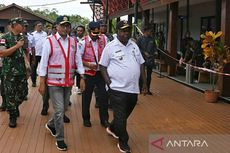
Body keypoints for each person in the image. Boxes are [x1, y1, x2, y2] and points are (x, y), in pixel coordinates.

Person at [99, 20, 147, 153]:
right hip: (117, 88)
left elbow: (141, 64)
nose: (126, 33)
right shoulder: (110, 47)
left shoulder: (134, 46)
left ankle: (113, 128)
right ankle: (123, 141)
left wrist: (144, 84)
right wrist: (109, 82)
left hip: (133, 88)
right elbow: (102, 66)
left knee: (124, 113)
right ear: (118, 32)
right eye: (123, 31)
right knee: (120, 115)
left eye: (128, 31)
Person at [38, 15, 85, 151]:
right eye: (62, 25)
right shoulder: (49, 41)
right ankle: (60, 138)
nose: (65, 28)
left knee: (63, 108)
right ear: (56, 27)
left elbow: (78, 61)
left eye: (67, 26)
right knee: (59, 111)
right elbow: (44, 62)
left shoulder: (74, 42)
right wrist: (42, 82)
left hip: (68, 82)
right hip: (53, 82)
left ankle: (51, 124)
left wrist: (82, 77)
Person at [78, 21, 109, 128]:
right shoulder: (82, 43)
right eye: (94, 33)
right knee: (86, 97)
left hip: (101, 73)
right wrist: (88, 64)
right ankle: (86, 118)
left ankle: (104, 120)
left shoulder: (104, 39)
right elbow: (77, 59)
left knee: (104, 97)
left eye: (98, 33)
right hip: (88, 73)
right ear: (89, 31)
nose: (96, 35)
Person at [0, 17, 28, 128]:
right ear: (14, 25)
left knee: (23, 93)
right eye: (22, 24)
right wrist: (16, 46)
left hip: (21, 71)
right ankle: (12, 116)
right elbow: (2, 53)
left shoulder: (22, 37)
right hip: (9, 72)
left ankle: (14, 106)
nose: (24, 27)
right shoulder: (4, 38)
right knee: (10, 95)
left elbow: (24, 52)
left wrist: (28, 66)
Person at [137, 25, 157, 95]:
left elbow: (155, 48)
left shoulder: (152, 39)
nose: (150, 32)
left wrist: (155, 52)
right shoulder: (140, 39)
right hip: (142, 59)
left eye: (151, 31)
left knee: (149, 75)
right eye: (149, 31)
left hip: (150, 59)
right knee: (141, 74)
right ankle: (140, 88)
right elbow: (137, 48)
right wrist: (144, 52)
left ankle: (148, 89)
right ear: (145, 31)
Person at [31, 21, 47, 87]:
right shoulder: (32, 34)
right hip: (35, 54)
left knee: (44, 68)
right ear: (35, 27)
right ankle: (34, 82)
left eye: (41, 25)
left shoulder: (45, 34)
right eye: (39, 25)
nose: (40, 27)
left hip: (43, 54)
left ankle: (44, 82)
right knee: (33, 69)